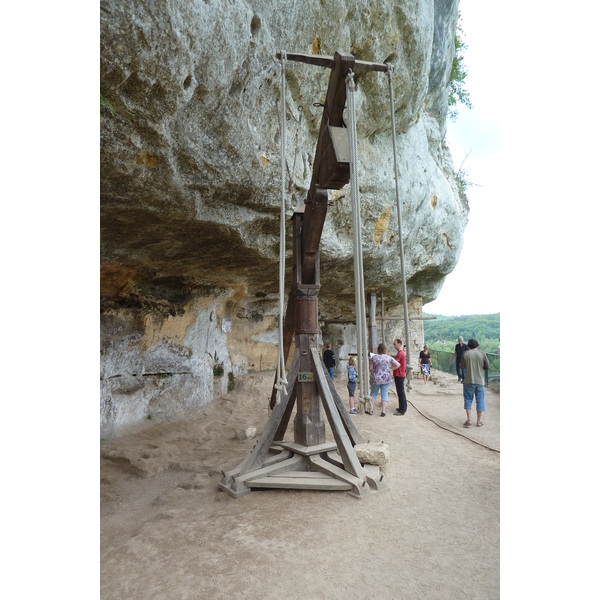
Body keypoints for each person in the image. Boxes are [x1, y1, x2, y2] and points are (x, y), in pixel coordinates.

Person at [459, 338, 490, 427]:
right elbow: (487, 366)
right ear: (477, 345)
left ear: (468, 345)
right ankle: (478, 421)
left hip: (468, 380)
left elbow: (461, 366)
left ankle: (468, 419)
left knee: (468, 399)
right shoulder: (482, 354)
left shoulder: (466, 354)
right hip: (480, 381)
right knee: (480, 400)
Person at [369, 343, 400, 417]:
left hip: (376, 378)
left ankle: (371, 410)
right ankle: (383, 412)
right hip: (386, 378)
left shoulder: (374, 357)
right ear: (385, 350)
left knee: (373, 394)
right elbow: (398, 364)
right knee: (384, 394)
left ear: (378, 350)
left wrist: (374, 370)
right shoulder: (389, 357)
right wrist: (391, 369)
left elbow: (370, 368)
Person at [392, 338, 407, 416]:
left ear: (399, 344)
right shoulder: (401, 353)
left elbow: (396, 364)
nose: (394, 346)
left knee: (400, 392)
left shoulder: (400, 353)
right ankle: (403, 407)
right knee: (401, 392)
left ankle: (402, 410)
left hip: (399, 375)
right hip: (400, 374)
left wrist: (391, 369)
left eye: (395, 344)